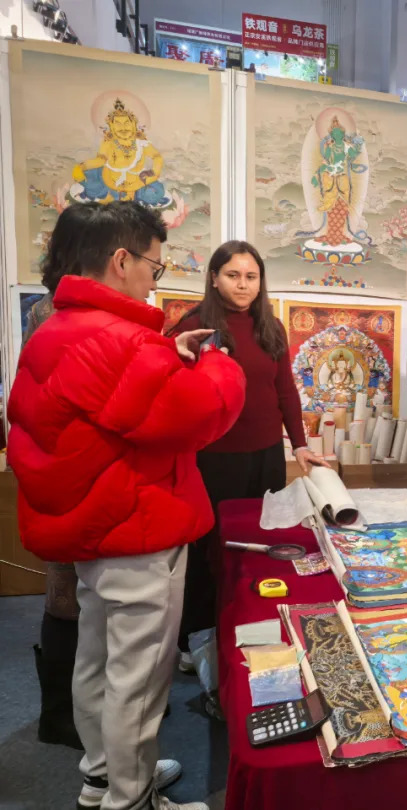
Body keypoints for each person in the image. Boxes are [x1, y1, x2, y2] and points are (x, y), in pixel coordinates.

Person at [7, 200, 246, 810]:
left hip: (95, 529)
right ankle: (131, 799)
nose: (152, 280)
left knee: (96, 660)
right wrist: (218, 364)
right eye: (153, 267)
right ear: (121, 260)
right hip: (138, 529)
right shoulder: (116, 338)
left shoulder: (59, 327)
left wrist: (165, 354)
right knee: (138, 681)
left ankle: (101, 779)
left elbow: (117, 407)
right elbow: (203, 412)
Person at [170, 241, 328, 671]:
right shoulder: (196, 326)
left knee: (259, 547)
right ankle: (196, 638)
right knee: (208, 552)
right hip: (212, 459)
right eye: (233, 275)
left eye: (251, 276)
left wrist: (300, 445)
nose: (243, 284)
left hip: (265, 457)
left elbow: (285, 391)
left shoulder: (269, 327)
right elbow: (173, 388)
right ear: (214, 278)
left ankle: (250, 625)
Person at [25, 203, 96, 751]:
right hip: (72, 467)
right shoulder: (57, 313)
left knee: (71, 592)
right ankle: (62, 714)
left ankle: (75, 709)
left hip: (64, 466)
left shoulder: (54, 308)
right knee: (69, 594)